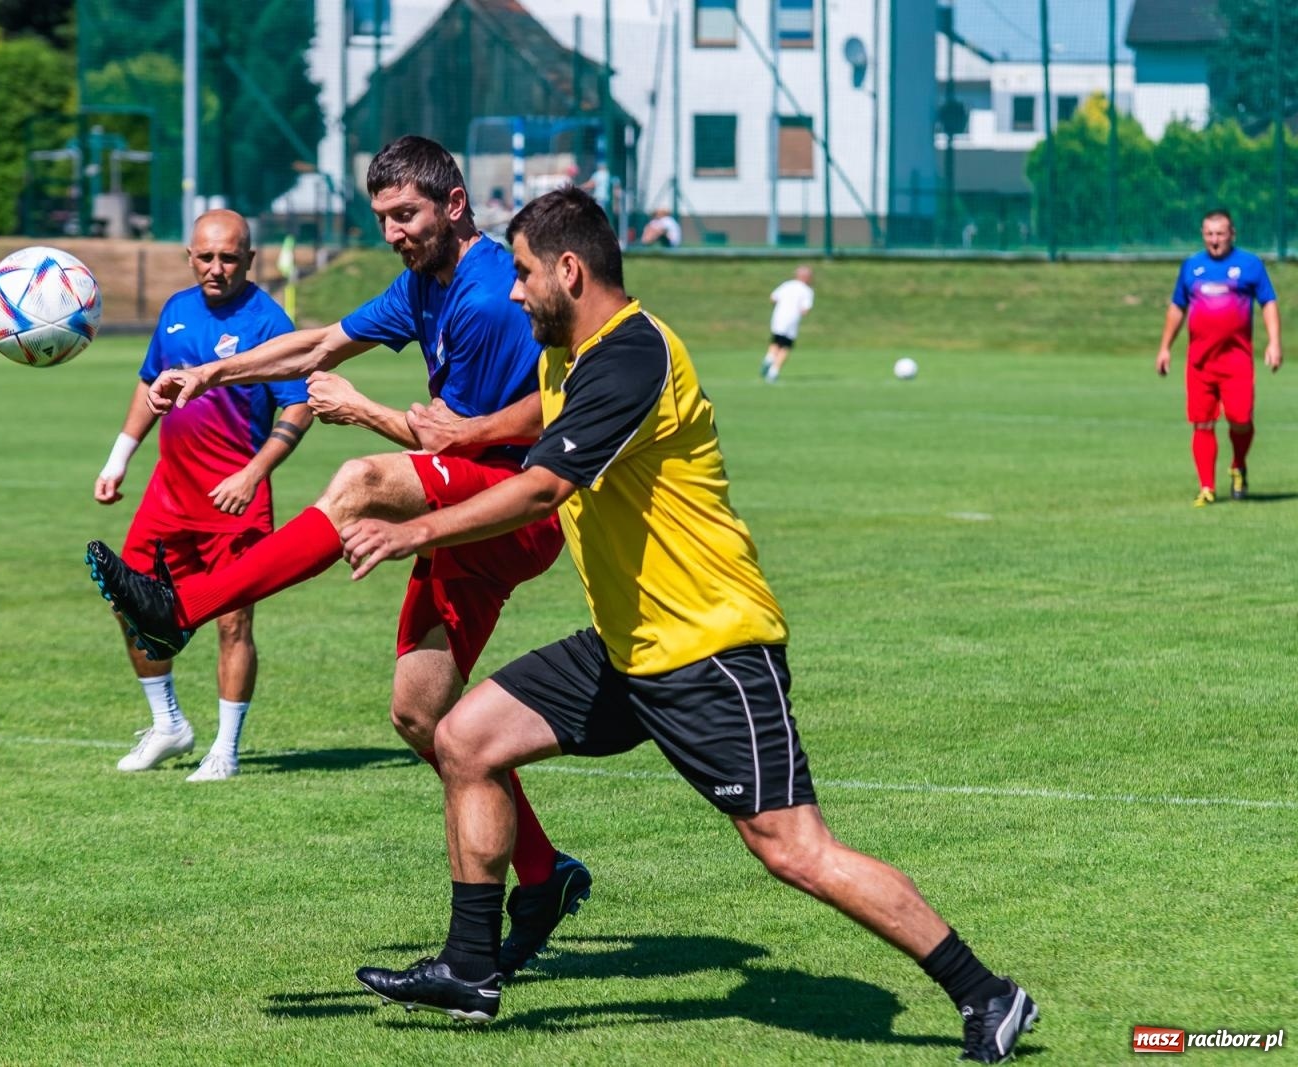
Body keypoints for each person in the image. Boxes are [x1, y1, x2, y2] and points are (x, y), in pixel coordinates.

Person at [344, 188, 1038, 1065]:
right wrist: (462, 425)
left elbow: (543, 487)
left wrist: (411, 529)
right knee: (465, 738)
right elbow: (534, 424)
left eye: (522, 273)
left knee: (794, 849)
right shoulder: (567, 352)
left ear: (569, 270)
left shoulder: (631, 354)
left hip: (709, 649)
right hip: (626, 645)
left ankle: (988, 992)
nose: (513, 292)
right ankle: (470, 968)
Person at [84, 136, 592, 972]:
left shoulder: (487, 298)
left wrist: (362, 409)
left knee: (356, 478)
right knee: (423, 715)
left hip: (513, 510)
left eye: (407, 216)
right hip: (465, 516)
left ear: (453, 205)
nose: (393, 231)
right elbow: (319, 344)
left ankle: (181, 609)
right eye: (384, 217)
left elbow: (444, 436)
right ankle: (543, 875)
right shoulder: (423, 283)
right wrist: (213, 377)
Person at [93, 210, 314, 780]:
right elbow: (150, 385)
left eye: (230, 257)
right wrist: (119, 459)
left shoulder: (270, 322)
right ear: (189, 256)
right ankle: (168, 725)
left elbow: (300, 405)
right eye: (206, 257)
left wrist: (254, 474)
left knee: (232, 624)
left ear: (250, 259)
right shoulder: (175, 310)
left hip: (234, 504)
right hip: (167, 497)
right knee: (129, 603)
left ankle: (226, 749)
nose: (217, 268)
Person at [1155, 208, 1282, 506]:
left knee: (1240, 419)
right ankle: (1207, 487)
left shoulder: (1249, 265)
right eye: (1209, 234)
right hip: (1200, 362)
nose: (1214, 240)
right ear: (1203, 235)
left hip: (1236, 361)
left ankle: (1238, 464)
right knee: (1202, 423)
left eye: (1220, 234)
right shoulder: (1191, 267)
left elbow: (1268, 302)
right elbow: (1177, 308)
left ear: (1232, 234)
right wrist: (1164, 347)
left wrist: (1274, 342)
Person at [762, 265, 815, 383]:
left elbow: (773, 298)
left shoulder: (787, 285)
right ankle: (773, 372)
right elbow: (805, 310)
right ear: (806, 277)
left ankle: (769, 358)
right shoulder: (807, 290)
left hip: (778, 317)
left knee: (776, 341)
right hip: (792, 320)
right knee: (786, 346)